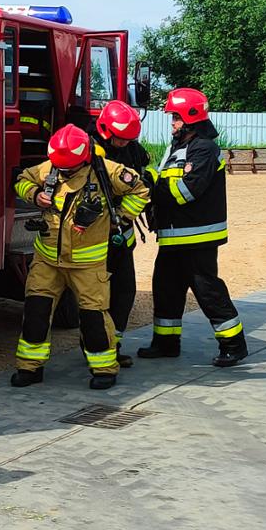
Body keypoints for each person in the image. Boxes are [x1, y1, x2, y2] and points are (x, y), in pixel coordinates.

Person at [11, 124, 151, 390]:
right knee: (36, 312)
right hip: (47, 258)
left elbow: (141, 191)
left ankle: (104, 369)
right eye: (59, 167)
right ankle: (29, 367)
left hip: (87, 264)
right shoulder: (51, 167)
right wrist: (35, 194)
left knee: (94, 317)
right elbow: (21, 181)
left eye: (69, 168)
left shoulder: (108, 171)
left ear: (84, 157)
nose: (63, 173)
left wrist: (118, 219)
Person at [139, 89, 247, 367]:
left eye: (175, 117)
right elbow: (165, 177)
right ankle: (166, 343)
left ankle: (233, 345)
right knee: (165, 288)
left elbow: (185, 191)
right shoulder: (179, 146)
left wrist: (152, 186)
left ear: (190, 117)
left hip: (197, 236)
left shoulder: (204, 149)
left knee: (207, 290)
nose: (172, 123)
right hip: (175, 236)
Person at [94, 100, 151, 369]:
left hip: (121, 236)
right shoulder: (89, 151)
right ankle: (96, 348)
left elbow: (143, 174)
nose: (124, 144)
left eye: (129, 139)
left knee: (125, 292)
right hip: (92, 240)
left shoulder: (132, 148)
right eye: (119, 139)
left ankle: (113, 346)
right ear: (105, 130)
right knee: (95, 297)